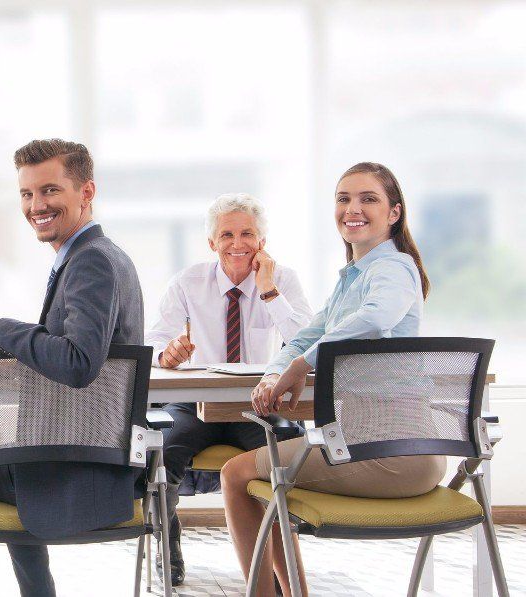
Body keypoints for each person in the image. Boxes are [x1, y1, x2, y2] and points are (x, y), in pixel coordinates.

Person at [0, 138, 145, 597]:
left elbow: (79, 363)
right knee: (10, 447)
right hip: (79, 456)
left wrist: (2, 329)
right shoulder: (100, 256)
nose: (36, 205)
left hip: (76, 471)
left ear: (87, 192)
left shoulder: (92, 262)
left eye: (49, 191)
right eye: (26, 194)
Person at [220, 162, 437, 597]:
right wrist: (276, 372)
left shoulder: (392, 269)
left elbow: (376, 320)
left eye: (368, 199)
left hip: (391, 453)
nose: (352, 208)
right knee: (259, 478)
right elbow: (305, 336)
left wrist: (303, 366)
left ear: (394, 213)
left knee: (237, 474)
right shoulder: (351, 280)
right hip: (372, 446)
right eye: (344, 199)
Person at [144, 193, 312, 586]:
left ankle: (275, 564)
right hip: (196, 403)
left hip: (255, 404)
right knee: (163, 454)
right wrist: (167, 355)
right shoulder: (188, 282)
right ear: (212, 243)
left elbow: (305, 342)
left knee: (282, 458)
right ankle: (167, 545)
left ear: (262, 241)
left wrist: (269, 291)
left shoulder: (282, 279)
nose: (238, 244)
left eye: (247, 234)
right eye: (227, 235)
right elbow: (151, 342)